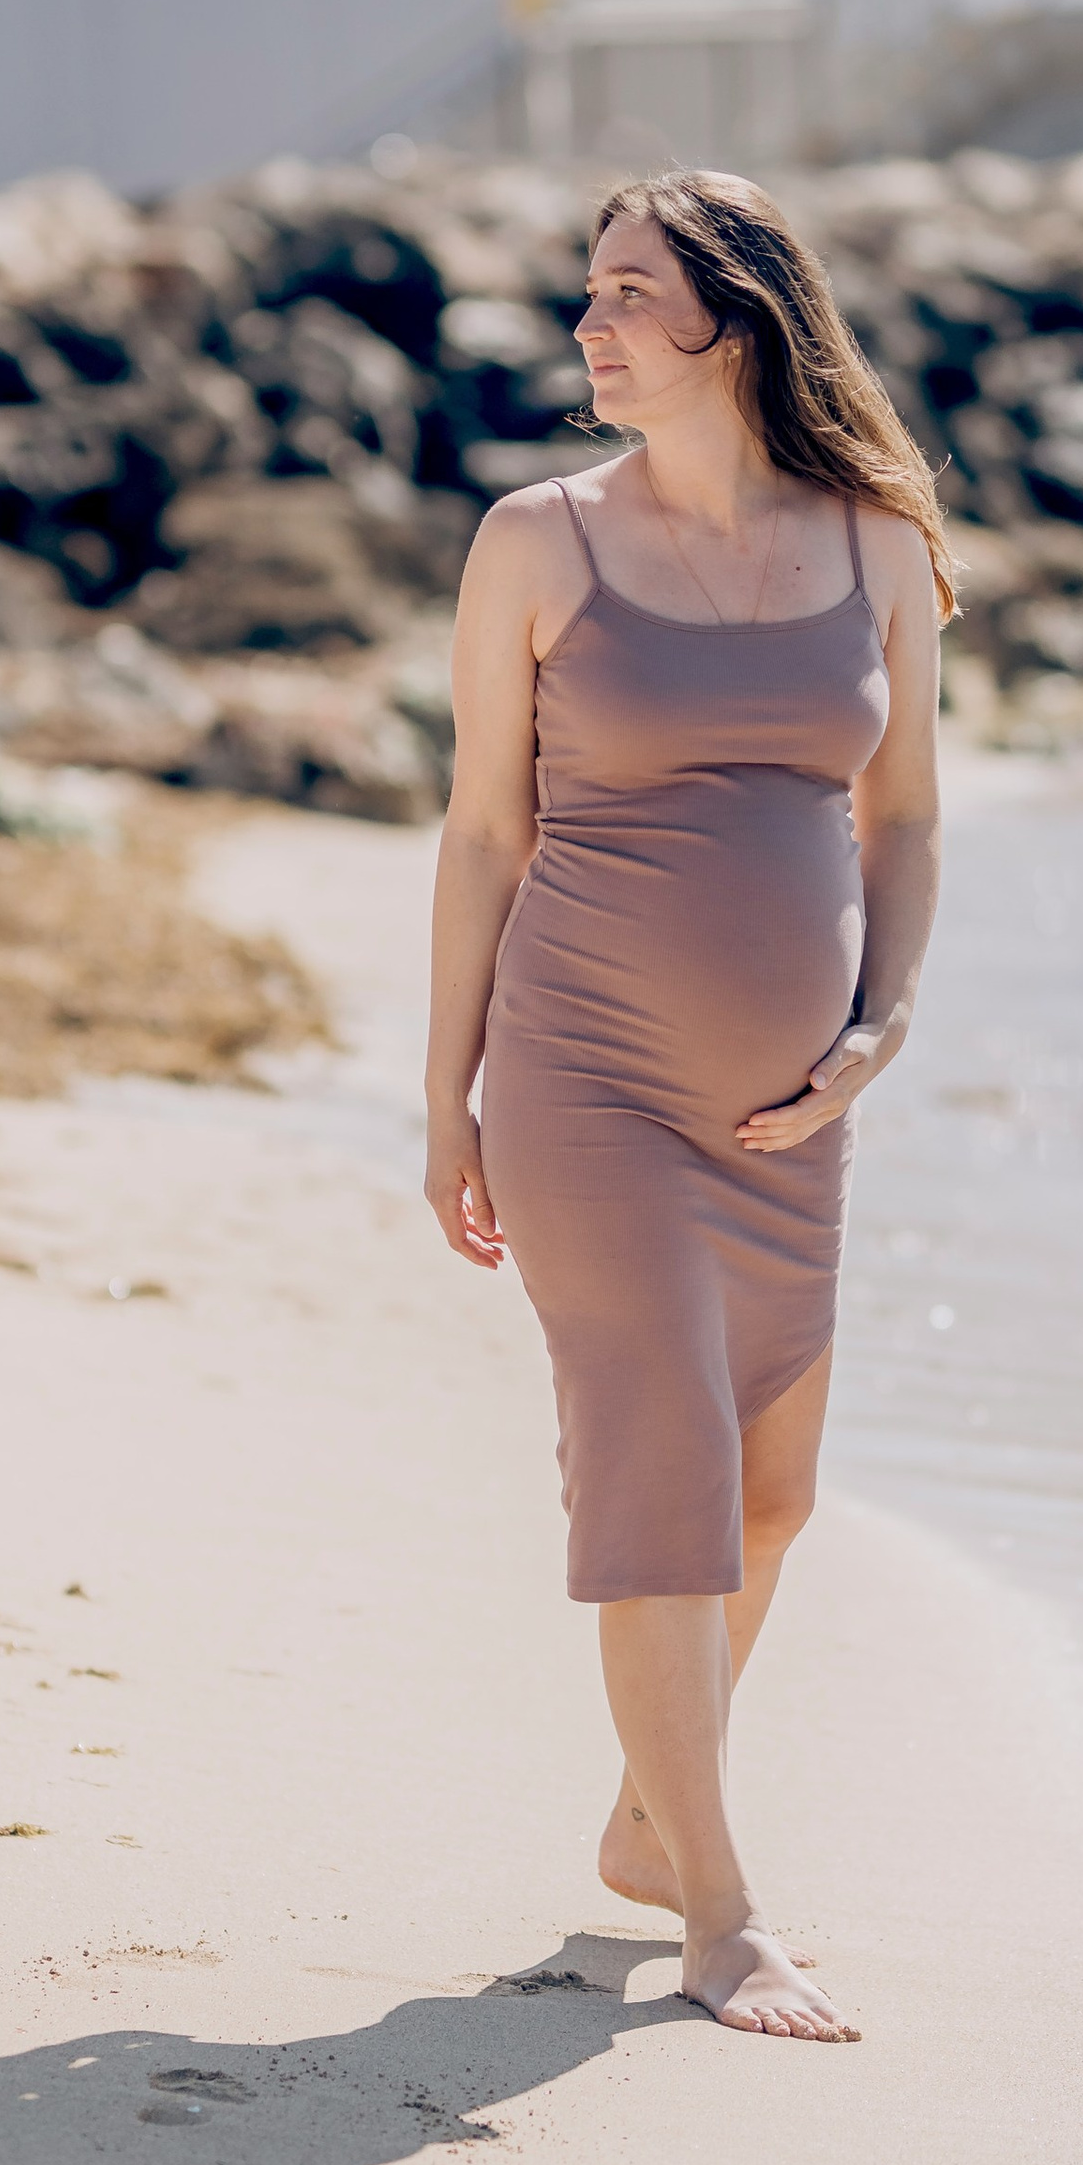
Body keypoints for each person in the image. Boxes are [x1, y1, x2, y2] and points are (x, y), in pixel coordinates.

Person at [423, 169, 949, 2040]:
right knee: (666, 1476)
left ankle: (654, 1822)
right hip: (586, 1080)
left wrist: (883, 1027)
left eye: (630, 294)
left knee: (776, 1496)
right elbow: (484, 829)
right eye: (588, 293)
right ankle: (723, 1918)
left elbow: (904, 812)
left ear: (734, 320)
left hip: (792, 1112)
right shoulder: (537, 544)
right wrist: (446, 1098)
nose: (591, 326)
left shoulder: (874, 537)